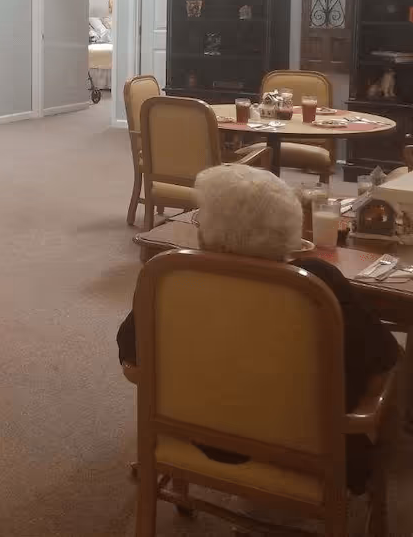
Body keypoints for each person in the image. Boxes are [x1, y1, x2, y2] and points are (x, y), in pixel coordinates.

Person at [117, 164, 399, 495]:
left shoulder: (169, 277)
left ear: (211, 230)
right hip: (304, 453)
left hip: (195, 436)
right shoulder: (316, 283)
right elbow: (383, 361)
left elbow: (132, 356)